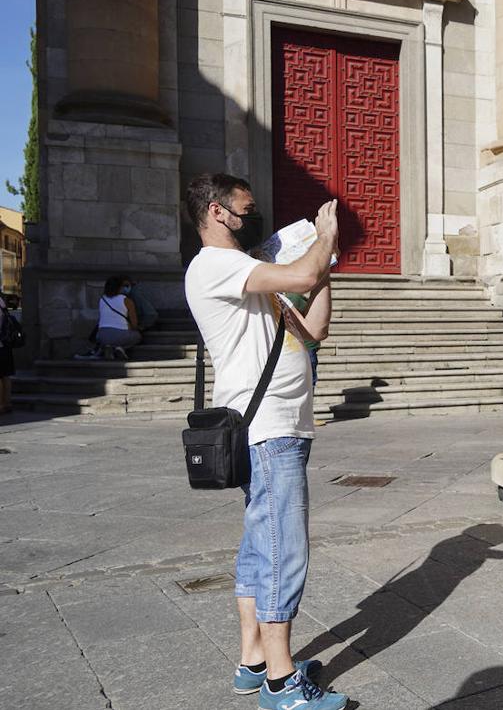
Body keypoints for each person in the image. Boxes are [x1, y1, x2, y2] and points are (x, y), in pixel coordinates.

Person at [183, 173, 346, 710]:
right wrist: (319, 242)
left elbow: (314, 329)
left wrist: (325, 269)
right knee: (283, 551)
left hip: (283, 426)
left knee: (260, 547)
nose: (254, 217)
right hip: (267, 428)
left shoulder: (254, 277)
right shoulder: (217, 264)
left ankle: (253, 661)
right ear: (216, 211)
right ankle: (282, 681)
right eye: (246, 209)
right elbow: (301, 267)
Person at [95, 275, 143, 360]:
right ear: (119, 288)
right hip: (120, 335)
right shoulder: (127, 301)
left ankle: (109, 348)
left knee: (109, 339)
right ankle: (120, 348)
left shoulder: (102, 299)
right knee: (138, 336)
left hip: (101, 336)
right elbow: (134, 324)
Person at [0, 294, 21, 415]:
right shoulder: (2, 302)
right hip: (6, 345)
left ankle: (1, 405)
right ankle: (7, 403)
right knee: (6, 375)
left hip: (1, 345)